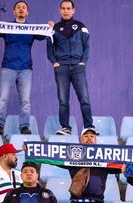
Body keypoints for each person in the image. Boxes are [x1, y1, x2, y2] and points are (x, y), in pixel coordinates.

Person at [0, 0, 49, 136]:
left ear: (27, 12)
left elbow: (44, 35)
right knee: (3, 99)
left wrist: (49, 27)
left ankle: (24, 126)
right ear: (14, 12)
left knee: (25, 101)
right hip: (8, 67)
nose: (21, 9)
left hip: (26, 69)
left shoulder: (31, 29)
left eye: (23, 7)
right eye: (18, 7)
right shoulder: (7, 27)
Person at [47, 0, 95, 135]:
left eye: (68, 8)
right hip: (61, 68)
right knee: (63, 100)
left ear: (73, 10)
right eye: (63, 8)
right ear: (59, 10)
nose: (66, 11)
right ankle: (66, 128)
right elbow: (49, 48)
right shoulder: (54, 28)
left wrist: (83, 62)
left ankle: (89, 127)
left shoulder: (81, 26)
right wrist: (54, 62)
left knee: (84, 98)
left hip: (78, 68)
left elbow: (87, 46)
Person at [63, 128, 121, 202]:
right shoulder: (72, 156)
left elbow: (115, 168)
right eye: (86, 136)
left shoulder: (104, 157)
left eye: (92, 136)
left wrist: (123, 166)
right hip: (77, 199)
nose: (89, 138)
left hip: (97, 200)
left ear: (95, 140)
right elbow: (54, 158)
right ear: (81, 140)